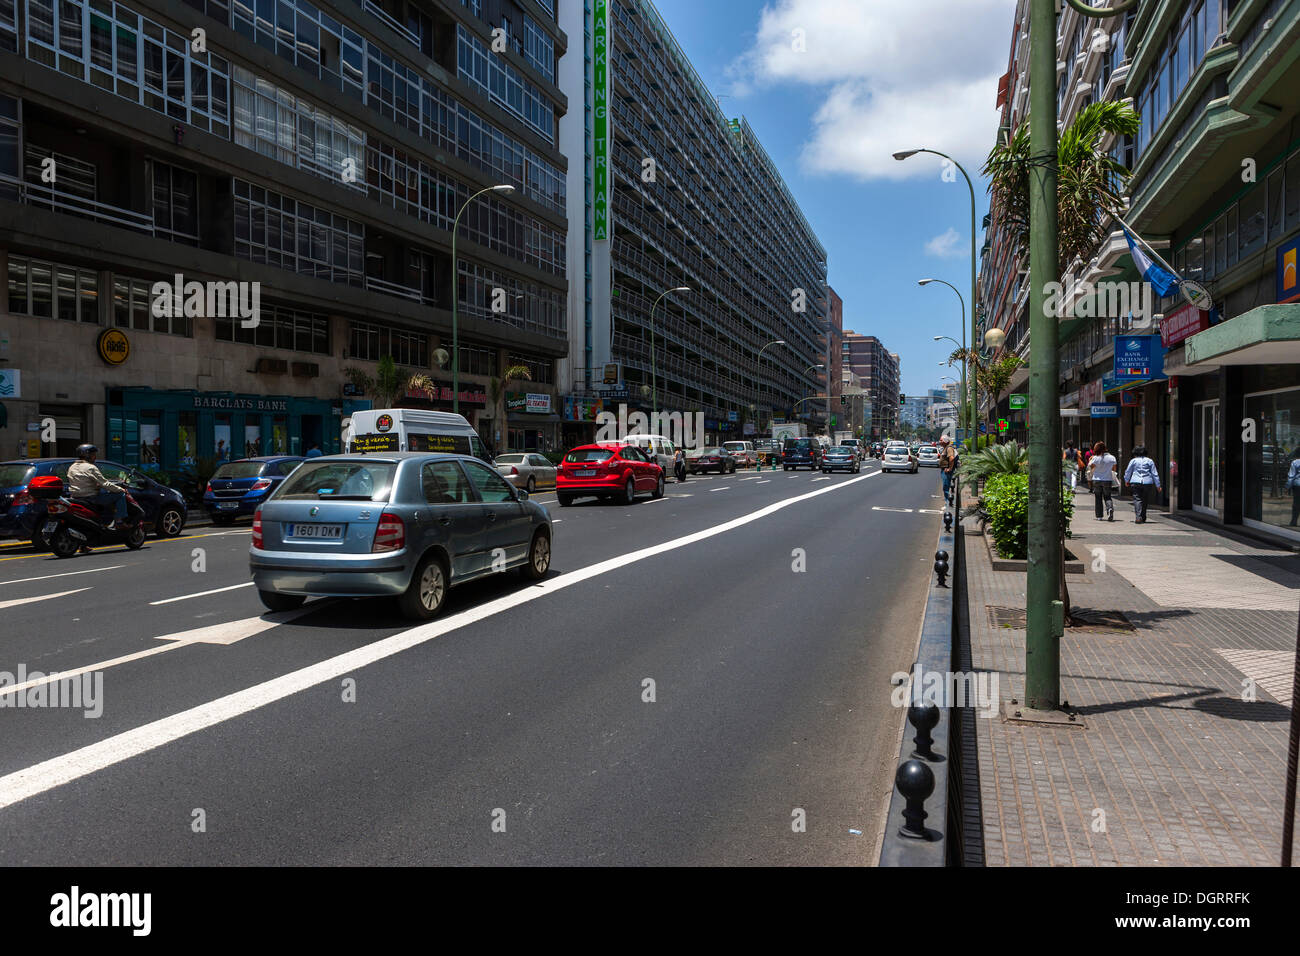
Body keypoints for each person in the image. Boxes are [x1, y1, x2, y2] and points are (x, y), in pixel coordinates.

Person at [66, 444, 127, 542]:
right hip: (90, 498)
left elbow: (83, 481)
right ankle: (119, 522)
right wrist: (120, 489)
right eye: (94, 454)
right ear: (88, 455)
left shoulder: (72, 467)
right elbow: (105, 483)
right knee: (120, 495)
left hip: (75, 498)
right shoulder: (90, 467)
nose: (95, 457)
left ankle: (84, 544)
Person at [1123, 445, 1162, 523]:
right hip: (1147, 482)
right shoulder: (1149, 461)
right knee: (1145, 499)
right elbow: (1154, 473)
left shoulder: (1133, 461)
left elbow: (1128, 471)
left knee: (1137, 499)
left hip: (1135, 482)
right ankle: (1143, 517)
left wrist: (1126, 480)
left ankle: (1138, 517)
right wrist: (1158, 485)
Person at [1086, 441, 1119, 521]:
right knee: (1107, 496)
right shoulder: (1112, 457)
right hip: (1107, 479)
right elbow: (1114, 469)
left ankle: (1099, 516)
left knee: (1098, 498)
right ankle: (1109, 509)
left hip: (1097, 480)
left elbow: (1090, 467)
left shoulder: (1095, 458)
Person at [938, 435, 957, 503]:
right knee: (945, 485)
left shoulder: (949, 448)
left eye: (941, 440)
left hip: (946, 470)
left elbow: (951, 458)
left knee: (946, 486)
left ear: (945, 441)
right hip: (944, 470)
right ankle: (947, 500)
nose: (939, 441)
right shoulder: (945, 447)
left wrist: (949, 468)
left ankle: (948, 501)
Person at [1286, 450, 1300, 527]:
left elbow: (1291, 476)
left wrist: (1287, 487)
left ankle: (1293, 521)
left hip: (1297, 485)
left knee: (1296, 504)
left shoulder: (1295, 462)